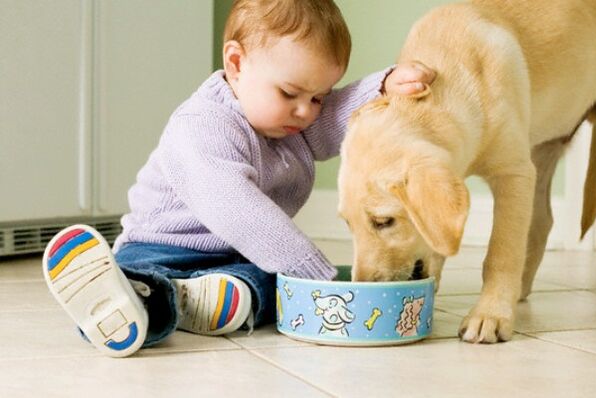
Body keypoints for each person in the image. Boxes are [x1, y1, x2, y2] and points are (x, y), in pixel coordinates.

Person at [42, 0, 435, 357]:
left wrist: (382, 87)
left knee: (267, 281)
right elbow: (236, 210)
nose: (305, 111)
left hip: (236, 257)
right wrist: (311, 270)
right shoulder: (204, 125)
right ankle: (129, 299)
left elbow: (337, 117)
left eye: (317, 97)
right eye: (290, 93)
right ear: (236, 63)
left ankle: (206, 299)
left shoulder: (288, 123)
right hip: (160, 246)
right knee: (159, 277)